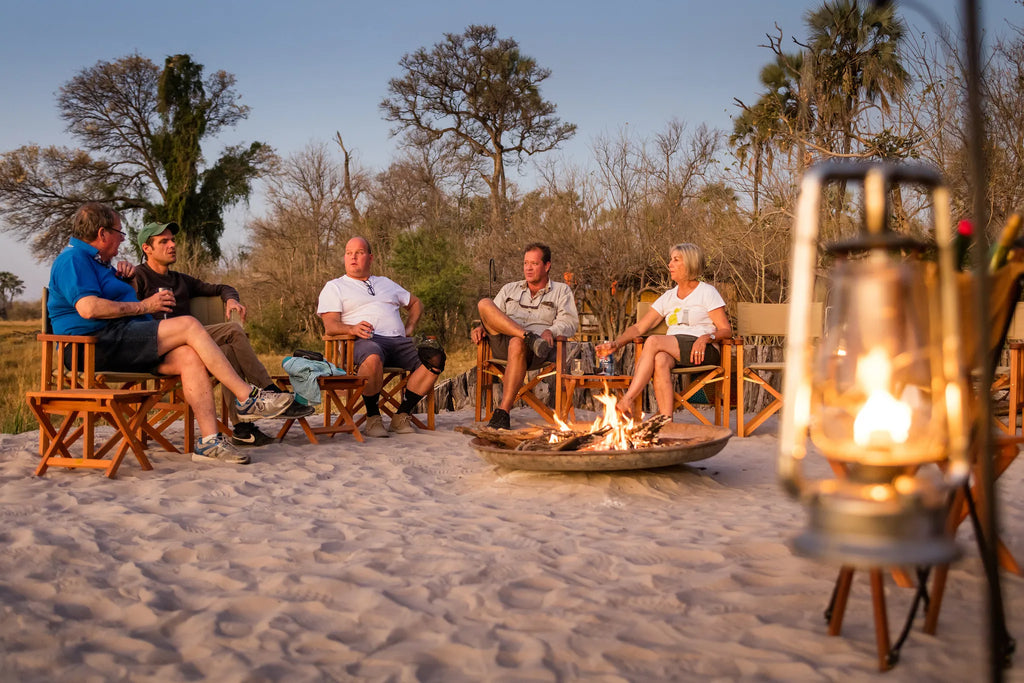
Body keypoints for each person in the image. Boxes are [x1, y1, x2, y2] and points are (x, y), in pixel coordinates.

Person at [47, 203, 295, 465]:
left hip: (121, 339)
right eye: (119, 232)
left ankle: (210, 442)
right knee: (188, 325)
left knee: (189, 355)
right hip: (91, 347)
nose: (122, 239)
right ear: (102, 233)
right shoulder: (73, 259)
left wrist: (124, 277)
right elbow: (88, 308)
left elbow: (115, 296)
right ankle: (247, 397)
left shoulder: (99, 263)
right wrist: (146, 305)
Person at [132, 221, 312, 447]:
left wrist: (232, 299)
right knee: (233, 330)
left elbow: (221, 288)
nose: (172, 245)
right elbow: (127, 312)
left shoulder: (180, 280)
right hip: (159, 348)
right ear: (147, 249)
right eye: (164, 241)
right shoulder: (138, 277)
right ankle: (269, 391)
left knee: (227, 350)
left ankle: (242, 429)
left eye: (173, 240)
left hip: (193, 344)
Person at [317, 237, 444, 438]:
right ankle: (373, 417)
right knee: (373, 356)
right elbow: (330, 326)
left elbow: (415, 303)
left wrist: (409, 327)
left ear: (370, 257)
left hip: (399, 342)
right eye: (349, 253)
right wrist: (352, 329)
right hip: (362, 342)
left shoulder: (386, 283)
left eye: (359, 252)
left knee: (434, 356)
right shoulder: (335, 287)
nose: (353, 257)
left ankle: (402, 414)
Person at [597, 242, 732, 420]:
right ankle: (666, 420)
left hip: (703, 350)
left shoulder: (707, 292)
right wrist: (617, 343)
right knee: (660, 359)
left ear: (690, 263)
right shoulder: (668, 296)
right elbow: (639, 327)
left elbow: (726, 330)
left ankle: (628, 399)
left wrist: (707, 337)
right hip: (676, 350)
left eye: (676, 260)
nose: (670, 264)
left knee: (653, 341)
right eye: (671, 260)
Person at [471, 243, 579, 430]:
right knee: (484, 303)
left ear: (547, 266)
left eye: (534, 264)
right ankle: (526, 335)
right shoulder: (509, 289)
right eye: (525, 263)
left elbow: (570, 323)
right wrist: (481, 326)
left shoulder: (562, 291)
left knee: (517, 343)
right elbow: (492, 314)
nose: (528, 268)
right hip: (502, 342)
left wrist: (550, 331)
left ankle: (503, 412)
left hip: (538, 349)